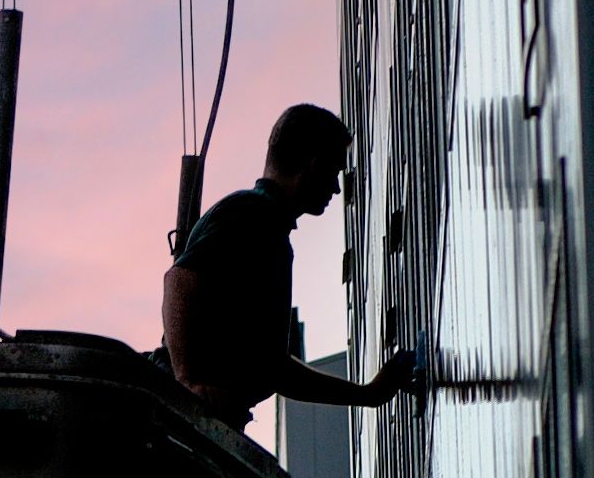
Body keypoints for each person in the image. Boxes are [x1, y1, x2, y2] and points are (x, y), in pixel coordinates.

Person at [162, 103, 418, 426]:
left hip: (200, 417)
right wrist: (188, 383)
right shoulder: (254, 215)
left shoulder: (268, 229)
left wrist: (367, 395)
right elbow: (179, 280)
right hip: (179, 416)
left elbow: (274, 370)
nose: (336, 188)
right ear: (314, 162)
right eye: (334, 172)